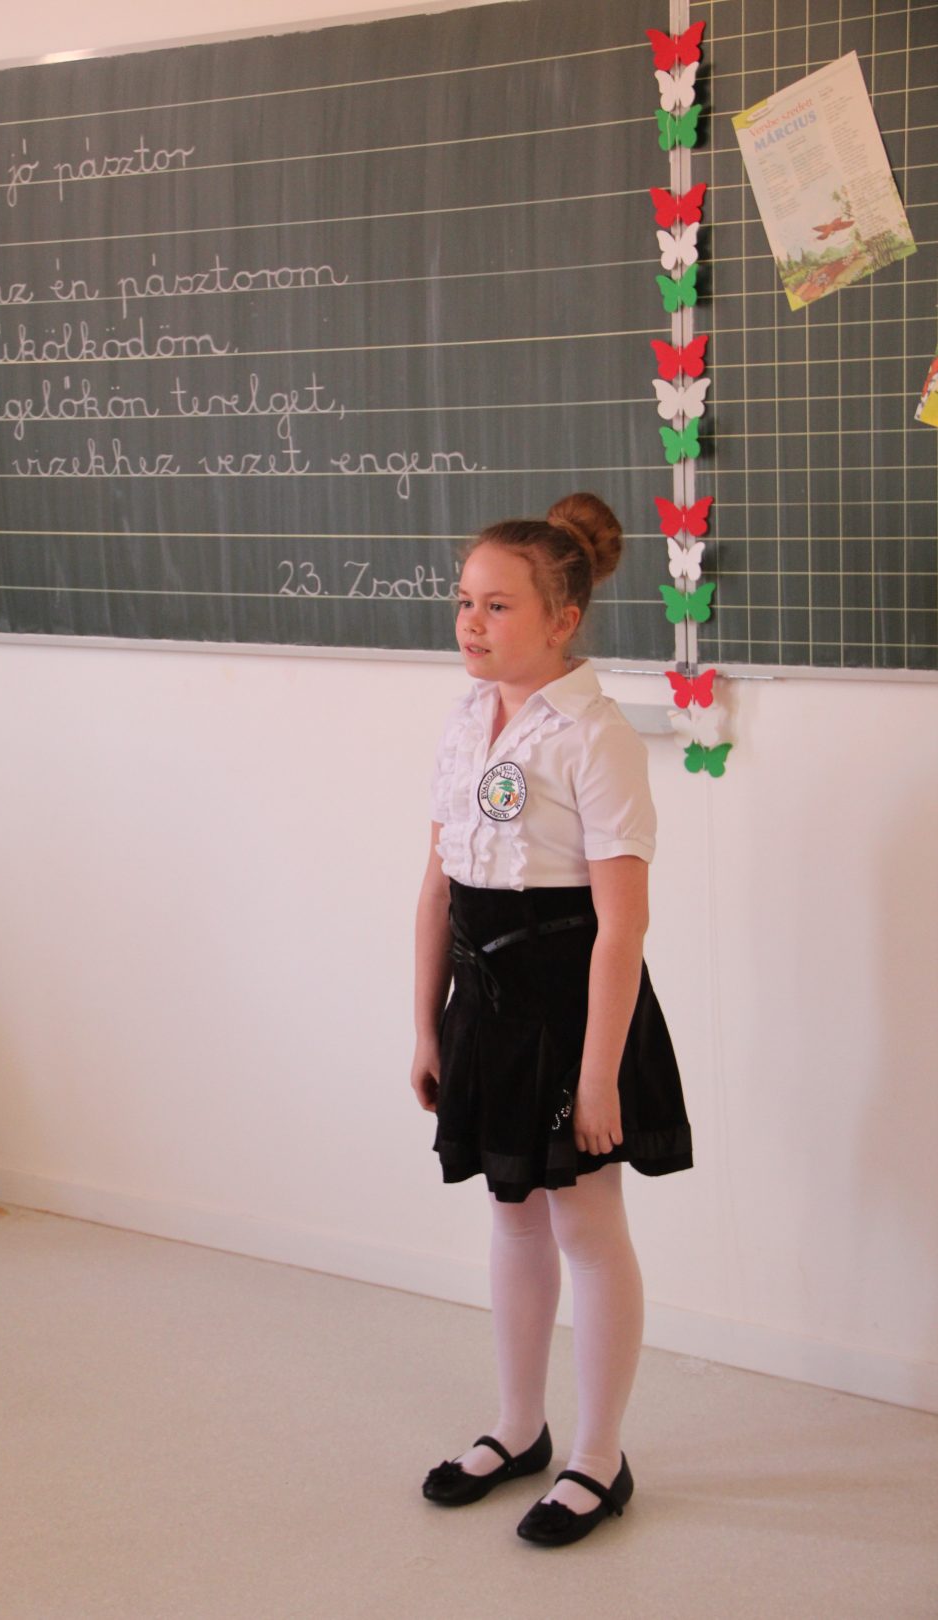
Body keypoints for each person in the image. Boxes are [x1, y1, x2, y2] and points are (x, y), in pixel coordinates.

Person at [410, 492, 693, 1548]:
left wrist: (599, 1073)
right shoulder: (464, 719)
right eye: (464, 601)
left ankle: (599, 1458)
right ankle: (518, 1428)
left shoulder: (596, 736)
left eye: (498, 606)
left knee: (586, 1225)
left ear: (563, 619)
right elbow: (438, 886)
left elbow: (622, 925)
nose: (471, 623)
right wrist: (427, 1025)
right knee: (513, 1213)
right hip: (482, 1007)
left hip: (573, 1012)